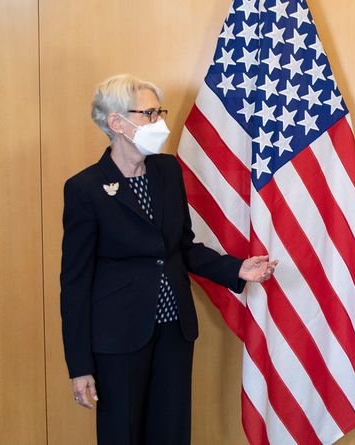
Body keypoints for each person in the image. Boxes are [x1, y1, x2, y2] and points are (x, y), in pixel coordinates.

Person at [60, 74, 278, 444]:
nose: (159, 121)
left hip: (174, 331)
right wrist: (79, 366)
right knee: (123, 435)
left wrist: (236, 268)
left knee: (171, 434)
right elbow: (75, 283)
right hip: (119, 338)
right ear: (117, 123)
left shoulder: (167, 171)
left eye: (159, 112)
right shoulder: (85, 188)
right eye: (148, 114)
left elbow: (182, 247)